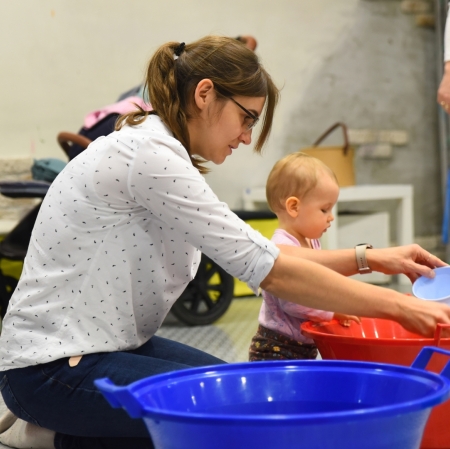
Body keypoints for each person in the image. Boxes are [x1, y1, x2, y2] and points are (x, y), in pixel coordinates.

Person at [0, 35, 449, 449]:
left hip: (107, 349)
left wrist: (371, 258)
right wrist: (401, 306)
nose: (247, 136)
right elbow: (270, 268)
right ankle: (48, 433)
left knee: (238, 389)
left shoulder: (160, 150)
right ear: (204, 94)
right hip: (51, 368)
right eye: (247, 118)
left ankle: (54, 428)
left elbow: (268, 254)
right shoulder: (148, 156)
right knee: (229, 418)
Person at [249, 153, 360, 361]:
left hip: (302, 345)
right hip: (276, 348)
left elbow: (319, 281)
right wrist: (332, 311)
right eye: (324, 209)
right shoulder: (282, 246)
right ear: (294, 207)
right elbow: (294, 301)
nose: (331, 216)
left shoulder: (310, 241)